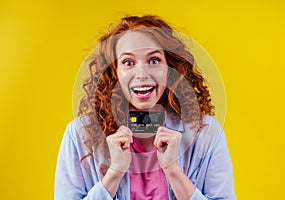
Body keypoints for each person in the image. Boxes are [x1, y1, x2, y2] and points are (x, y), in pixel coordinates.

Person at [54, 15, 235, 200]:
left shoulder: (206, 133)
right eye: (128, 62)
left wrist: (174, 172)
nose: (141, 74)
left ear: (169, 67)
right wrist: (114, 174)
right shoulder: (80, 134)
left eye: (154, 60)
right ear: (115, 72)